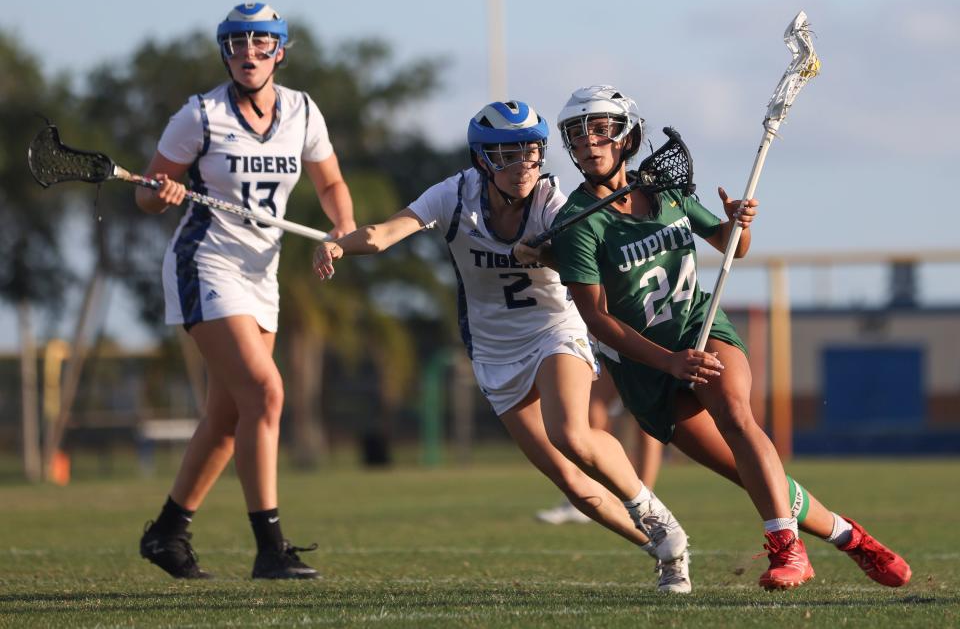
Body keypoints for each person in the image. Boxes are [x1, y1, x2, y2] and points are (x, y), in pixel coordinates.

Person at [540, 84, 913, 591]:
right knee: (754, 477)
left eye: (600, 129)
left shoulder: (666, 191)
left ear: (627, 135)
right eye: (578, 136)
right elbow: (598, 320)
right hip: (647, 366)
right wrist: (669, 363)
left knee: (736, 416)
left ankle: (789, 552)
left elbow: (731, 246)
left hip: (701, 326)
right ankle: (853, 539)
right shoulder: (578, 226)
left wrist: (741, 222)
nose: (589, 143)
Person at [313, 100, 691, 592]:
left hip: (555, 328)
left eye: (531, 154)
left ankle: (656, 516)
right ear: (482, 160)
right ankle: (664, 550)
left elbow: (591, 254)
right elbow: (385, 233)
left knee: (571, 434)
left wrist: (548, 252)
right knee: (573, 484)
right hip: (493, 351)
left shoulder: (557, 203)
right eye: (507, 156)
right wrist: (341, 244)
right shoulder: (454, 195)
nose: (522, 168)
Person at [135, 2, 357, 580]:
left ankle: (167, 532)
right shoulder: (200, 116)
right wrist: (163, 194)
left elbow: (330, 180)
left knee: (229, 415)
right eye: (237, 43)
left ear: (280, 51)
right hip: (205, 264)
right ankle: (270, 547)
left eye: (262, 44)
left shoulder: (303, 111)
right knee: (266, 391)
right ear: (225, 51)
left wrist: (339, 229)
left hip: (262, 273)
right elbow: (147, 193)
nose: (249, 54)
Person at [535, 366, 664, 525]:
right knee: (591, 414)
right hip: (610, 347)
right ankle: (587, 495)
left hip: (648, 349)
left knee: (647, 426)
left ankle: (644, 505)